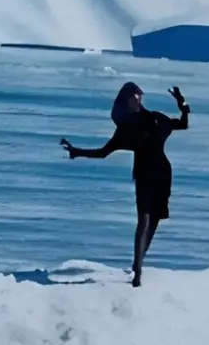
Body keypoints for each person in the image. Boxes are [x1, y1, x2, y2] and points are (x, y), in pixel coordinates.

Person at [60, 80, 191, 286]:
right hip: (144, 173)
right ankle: (138, 272)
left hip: (163, 173)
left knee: (154, 221)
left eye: (140, 95)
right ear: (126, 100)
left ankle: (138, 262)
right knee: (144, 221)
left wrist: (181, 102)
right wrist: (76, 151)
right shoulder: (127, 128)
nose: (138, 99)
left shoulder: (155, 118)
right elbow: (103, 152)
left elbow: (182, 123)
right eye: (133, 96)